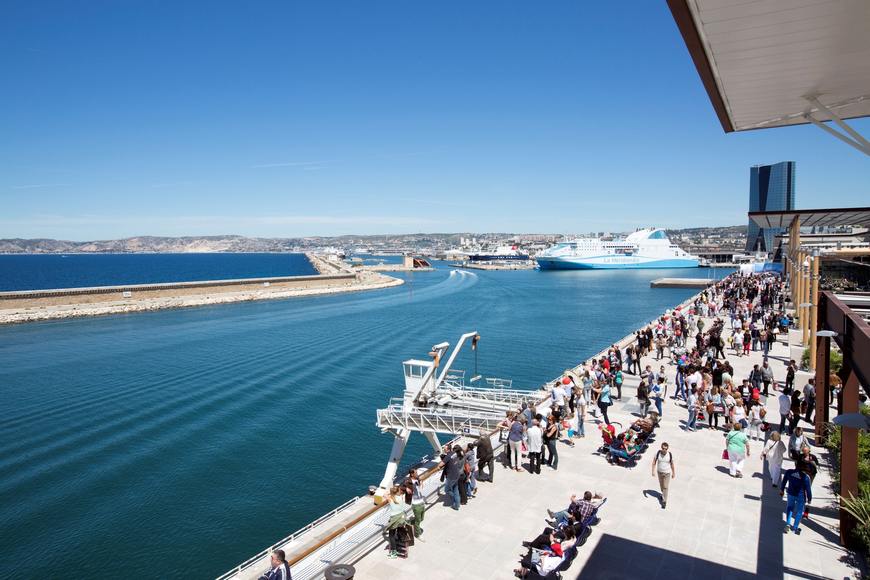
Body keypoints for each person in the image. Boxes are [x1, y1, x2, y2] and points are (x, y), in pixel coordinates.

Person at [781, 466, 813, 534]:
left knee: (790, 508)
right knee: (799, 511)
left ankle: (788, 523)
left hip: (791, 494)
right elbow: (808, 490)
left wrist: (782, 490)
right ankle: (795, 527)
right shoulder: (805, 477)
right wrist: (809, 499)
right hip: (801, 496)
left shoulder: (789, 472)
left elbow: (784, 481)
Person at [384, 485, 408, 558]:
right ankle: (400, 538)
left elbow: (384, 494)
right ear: (398, 491)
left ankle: (394, 553)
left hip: (395, 518)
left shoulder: (390, 498)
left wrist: (389, 493)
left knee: (391, 535)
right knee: (399, 528)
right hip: (401, 517)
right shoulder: (400, 497)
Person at [650, 442, 675, 509]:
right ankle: (663, 494)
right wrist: (653, 471)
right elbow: (654, 462)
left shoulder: (669, 455)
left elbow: (672, 464)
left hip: (667, 473)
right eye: (663, 448)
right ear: (661, 448)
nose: (664, 450)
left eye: (666, 449)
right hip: (659, 472)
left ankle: (664, 501)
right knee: (662, 486)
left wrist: (673, 473)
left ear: (667, 449)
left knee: (665, 487)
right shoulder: (657, 454)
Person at [438, 445, 463, 510]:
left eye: (444, 448)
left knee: (447, 490)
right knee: (455, 489)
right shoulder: (454, 453)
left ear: (447, 449)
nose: (443, 449)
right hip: (457, 474)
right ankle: (457, 505)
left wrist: (438, 466)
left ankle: (456, 499)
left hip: (451, 476)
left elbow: (441, 464)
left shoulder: (448, 456)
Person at [406, 469, 426, 539]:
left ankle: (409, 522)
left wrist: (421, 481)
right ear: (412, 474)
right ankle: (417, 535)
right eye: (416, 473)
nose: (417, 474)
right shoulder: (408, 481)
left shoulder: (417, 479)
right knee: (418, 521)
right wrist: (406, 489)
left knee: (421, 518)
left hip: (421, 502)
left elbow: (419, 486)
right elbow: (400, 487)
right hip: (415, 504)